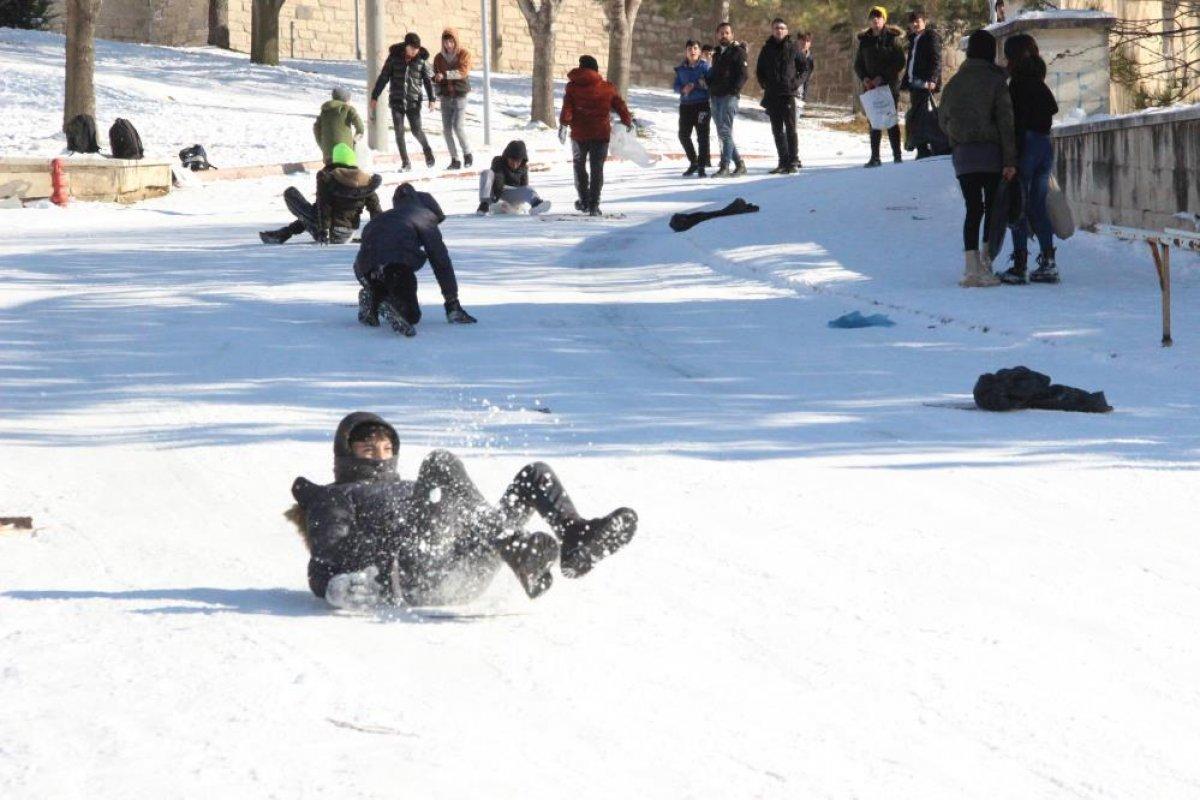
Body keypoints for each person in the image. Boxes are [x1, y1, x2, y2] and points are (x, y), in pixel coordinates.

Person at [288, 412, 639, 609]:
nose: (381, 456)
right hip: (414, 577)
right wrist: (336, 587)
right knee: (441, 463)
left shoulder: (412, 487)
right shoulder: (336, 496)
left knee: (535, 475)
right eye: (369, 450)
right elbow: (326, 555)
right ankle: (511, 544)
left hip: (460, 567)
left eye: (386, 448)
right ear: (346, 454)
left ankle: (575, 539)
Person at [939, 29, 1016, 287]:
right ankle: (986, 264)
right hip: (992, 155)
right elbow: (1006, 122)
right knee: (993, 210)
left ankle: (970, 267)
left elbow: (943, 119)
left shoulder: (955, 82)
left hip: (964, 157)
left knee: (973, 209)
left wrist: (956, 137)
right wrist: (1010, 160)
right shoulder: (996, 81)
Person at [354, 183, 477, 336]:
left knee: (385, 280)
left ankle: (374, 298)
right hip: (396, 265)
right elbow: (440, 261)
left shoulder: (382, 217)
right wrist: (452, 302)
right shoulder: (424, 217)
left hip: (364, 267)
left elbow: (367, 249)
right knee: (411, 314)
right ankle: (394, 305)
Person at [999, 34, 1060, 284]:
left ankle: (1020, 263)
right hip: (1045, 145)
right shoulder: (1039, 81)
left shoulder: (1017, 85)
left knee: (1018, 206)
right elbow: (1051, 109)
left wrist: (1009, 159)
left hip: (1026, 145)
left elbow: (1013, 122)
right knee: (1038, 206)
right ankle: (1048, 261)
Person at [259, 143, 381, 245]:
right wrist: (380, 234)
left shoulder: (328, 178)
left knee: (290, 193)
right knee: (312, 213)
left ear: (335, 159)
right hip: (348, 234)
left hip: (329, 234)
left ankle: (283, 234)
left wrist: (324, 231)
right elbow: (376, 211)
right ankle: (284, 233)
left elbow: (324, 207)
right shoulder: (365, 180)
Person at [558, 55, 633, 216]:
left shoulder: (572, 87)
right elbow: (620, 106)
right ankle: (594, 205)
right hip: (600, 133)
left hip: (579, 134)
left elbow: (567, 109)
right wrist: (627, 121)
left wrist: (564, 124)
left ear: (580, 68)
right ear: (596, 69)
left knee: (579, 166)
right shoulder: (607, 88)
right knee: (597, 169)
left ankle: (584, 201)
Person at [369, 32, 437, 171]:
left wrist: (432, 98)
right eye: (412, 48)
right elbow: (384, 77)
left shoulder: (421, 60)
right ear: (406, 46)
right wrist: (375, 96)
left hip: (414, 101)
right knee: (399, 133)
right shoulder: (394, 58)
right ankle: (406, 162)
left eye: (417, 49)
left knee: (416, 130)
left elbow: (427, 81)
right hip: (397, 101)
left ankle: (427, 150)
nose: (415, 51)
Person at [854, 6, 906, 167]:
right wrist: (865, 79)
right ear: (869, 20)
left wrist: (882, 77)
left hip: (889, 86)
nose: (876, 20)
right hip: (871, 88)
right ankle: (875, 157)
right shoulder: (865, 41)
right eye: (873, 17)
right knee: (874, 122)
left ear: (884, 20)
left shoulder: (892, 38)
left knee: (890, 120)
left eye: (879, 17)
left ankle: (897, 155)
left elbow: (899, 62)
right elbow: (858, 64)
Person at [755, 18, 807, 174]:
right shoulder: (766, 48)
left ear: (787, 30)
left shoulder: (793, 47)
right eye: (776, 28)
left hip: (787, 93)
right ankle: (782, 161)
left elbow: (805, 68)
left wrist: (796, 83)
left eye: (782, 28)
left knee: (790, 128)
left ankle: (793, 161)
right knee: (777, 129)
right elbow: (759, 70)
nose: (779, 30)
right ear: (772, 30)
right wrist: (764, 84)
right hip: (772, 94)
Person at [708, 22, 749, 177]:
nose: (724, 35)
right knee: (723, 133)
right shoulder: (717, 53)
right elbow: (714, 74)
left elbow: (743, 75)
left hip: (729, 97)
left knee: (725, 131)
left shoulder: (738, 52)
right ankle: (740, 164)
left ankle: (724, 166)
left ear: (732, 35)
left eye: (727, 32)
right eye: (721, 33)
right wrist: (709, 85)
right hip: (715, 97)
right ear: (717, 35)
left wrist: (733, 91)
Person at [901, 9, 942, 159]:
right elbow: (911, 62)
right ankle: (922, 147)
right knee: (916, 116)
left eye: (918, 21)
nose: (915, 24)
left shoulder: (930, 36)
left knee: (926, 117)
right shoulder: (913, 39)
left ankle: (934, 146)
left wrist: (933, 79)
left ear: (924, 21)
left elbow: (937, 59)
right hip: (914, 83)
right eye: (912, 22)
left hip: (925, 83)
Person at [432, 28, 473, 170]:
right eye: (446, 42)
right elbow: (435, 75)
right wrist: (436, 80)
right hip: (445, 96)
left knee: (458, 126)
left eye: (451, 42)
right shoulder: (438, 58)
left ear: (455, 41)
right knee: (447, 129)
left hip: (460, 95)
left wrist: (446, 75)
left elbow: (463, 71)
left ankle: (467, 153)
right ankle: (455, 159)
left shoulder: (464, 54)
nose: (448, 45)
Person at [476, 139, 551, 215]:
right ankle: (484, 206)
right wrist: (495, 198)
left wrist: (518, 206)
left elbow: (524, 188)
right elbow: (499, 178)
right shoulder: (498, 161)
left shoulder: (523, 168)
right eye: (512, 161)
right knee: (486, 173)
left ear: (522, 160)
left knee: (528, 188)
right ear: (507, 157)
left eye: (518, 161)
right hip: (495, 194)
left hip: (511, 198)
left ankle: (536, 204)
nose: (515, 165)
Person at [674, 39, 712, 177]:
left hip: (702, 105)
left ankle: (702, 165)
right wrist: (683, 89)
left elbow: (711, 85)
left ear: (700, 51)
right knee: (683, 135)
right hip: (686, 105)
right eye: (689, 49)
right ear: (686, 52)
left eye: (695, 48)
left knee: (702, 136)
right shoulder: (681, 68)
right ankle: (693, 162)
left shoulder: (705, 67)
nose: (692, 51)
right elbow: (675, 86)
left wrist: (696, 85)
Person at [313, 87, 364, 165]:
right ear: (346, 100)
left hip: (328, 152)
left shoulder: (325, 111)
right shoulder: (348, 109)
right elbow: (360, 128)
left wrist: (322, 145)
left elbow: (316, 127)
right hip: (345, 150)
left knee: (330, 174)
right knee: (345, 173)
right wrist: (354, 141)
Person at [797, 32, 815, 106]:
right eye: (803, 40)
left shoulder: (810, 58)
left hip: (802, 94)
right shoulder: (792, 55)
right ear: (798, 41)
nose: (805, 43)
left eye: (807, 41)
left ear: (810, 43)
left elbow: (807, 78)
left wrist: (805, 95)